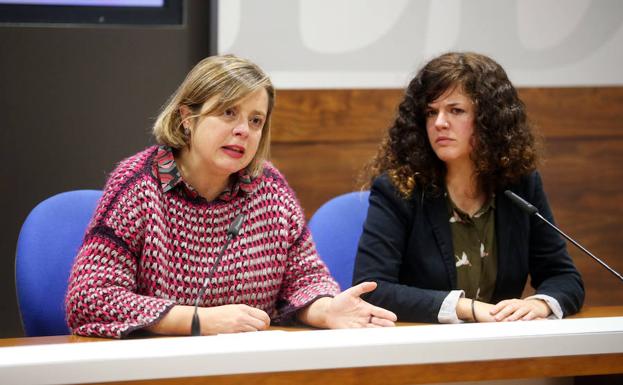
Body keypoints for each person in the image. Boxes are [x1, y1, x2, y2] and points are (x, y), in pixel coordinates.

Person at [65, 54, 396, 338]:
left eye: (255, 120)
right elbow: (89, 298)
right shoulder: (139, 185)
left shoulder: (269, 188)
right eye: (228, 113)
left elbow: (303, 279)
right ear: (187, 118)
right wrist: (197, 320)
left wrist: (326, 310)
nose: (243, 130)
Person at [352, 52, 584, 324]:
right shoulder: (400, 189)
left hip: (500, 345)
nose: (439, 122)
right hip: (421, 347)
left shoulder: (518, 184)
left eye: (455, 110)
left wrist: (540, 304)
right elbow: (372, 289)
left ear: (490, 120)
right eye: (431, 112)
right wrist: (465, 308)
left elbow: (563, 276)